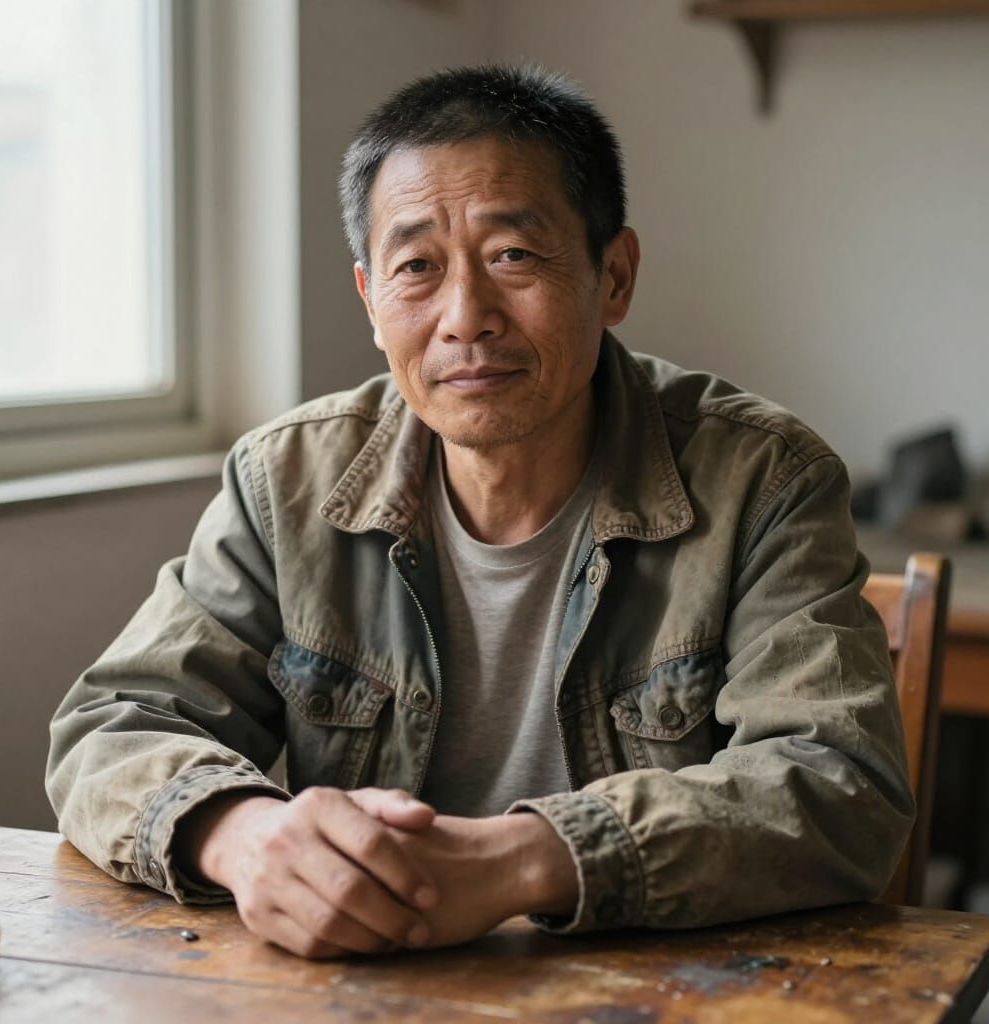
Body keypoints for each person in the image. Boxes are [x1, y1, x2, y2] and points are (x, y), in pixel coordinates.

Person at [47, 65, 914, 960]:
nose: (466, 317)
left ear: (613, 275)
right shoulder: (289, 479)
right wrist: (242, 835)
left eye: (513, 257)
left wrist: (515, 860)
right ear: (371, 304)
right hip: (364, 989)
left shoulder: (763, 478)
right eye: (417, 267)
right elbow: (113, 724)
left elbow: (838, 783)